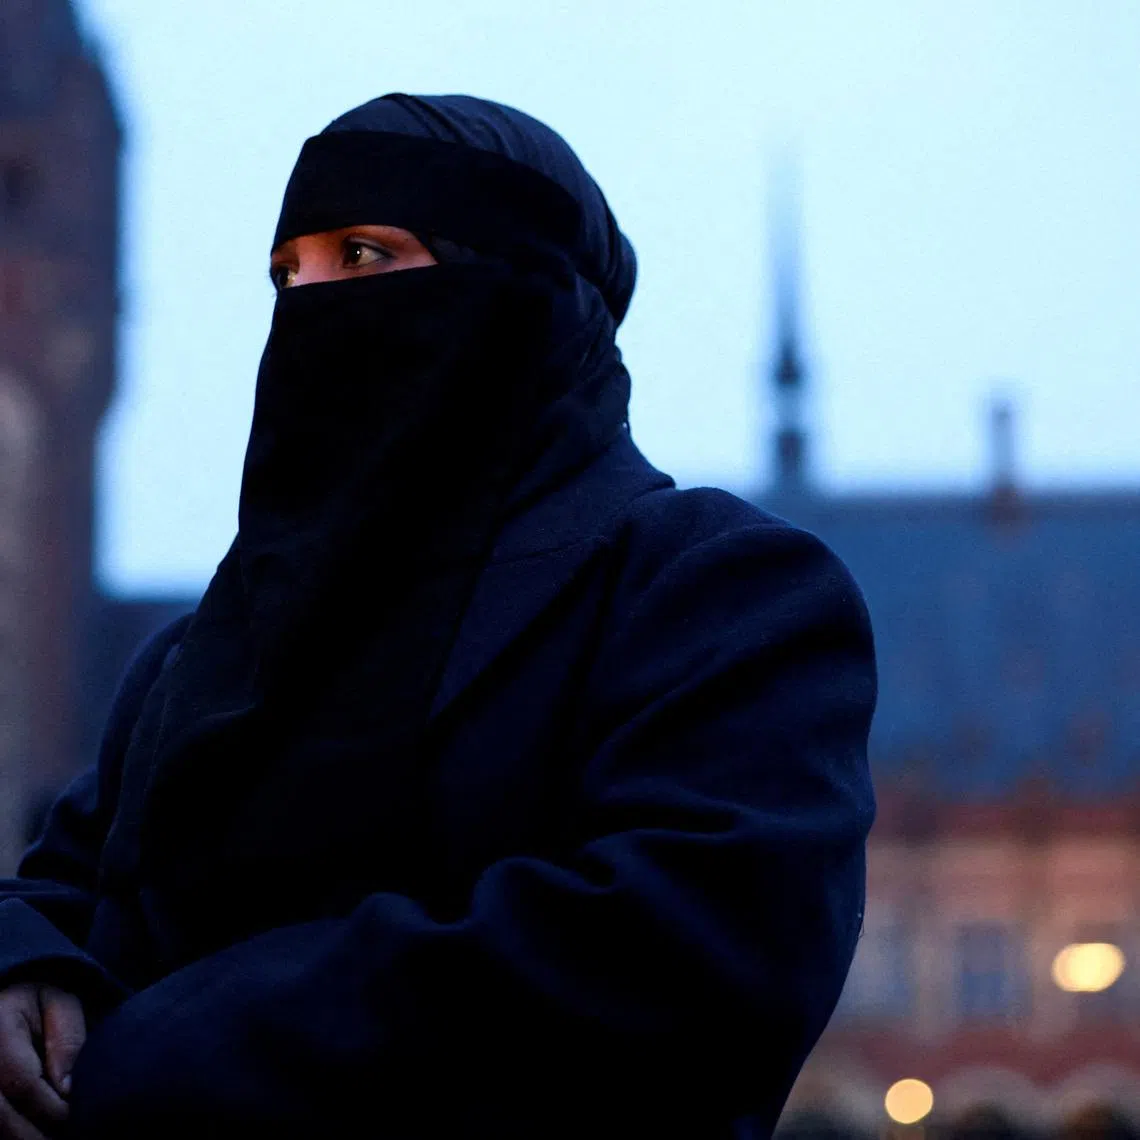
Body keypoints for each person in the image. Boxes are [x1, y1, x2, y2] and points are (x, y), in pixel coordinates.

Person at [0, 94, 876, 1139]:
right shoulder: (199, 654)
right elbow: (62, 884)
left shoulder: (713, 590)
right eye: (289, 274)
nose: (312, 303)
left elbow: (697, 950)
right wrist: (21, 970)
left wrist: (164, 1047)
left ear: (523, 292)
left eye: (364, 255)